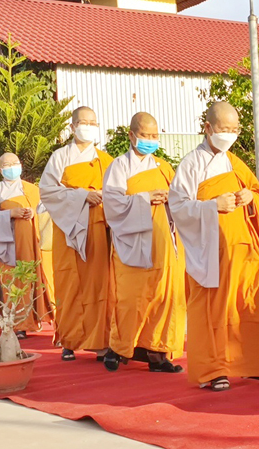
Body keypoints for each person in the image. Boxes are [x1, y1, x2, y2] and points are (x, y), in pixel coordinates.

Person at [168, 101, 259, 392]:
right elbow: (177, 206)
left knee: (252, 305)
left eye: (234, 129)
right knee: (213, 311)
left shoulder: (235, 162)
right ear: (208, 128)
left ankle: (258, 364)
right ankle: (214, 370)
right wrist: (211, 205)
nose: (230, 134)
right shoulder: (191, 164)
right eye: (224, 128)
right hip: (212, 254)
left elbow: (258, 193)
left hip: (245, 252)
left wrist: (250, 198)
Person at [102, 112, 186, 373]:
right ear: (132, 135)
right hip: (132, 242)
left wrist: (170, 198)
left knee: (164, 296)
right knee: (131, 298)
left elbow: (181, 199)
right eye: (145, 135)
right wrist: (145, 198)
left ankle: (158, 353)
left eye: (154, 135)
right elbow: (112, 205)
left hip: (163, 242)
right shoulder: (119, 166)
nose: (150, 140)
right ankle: (118, 348)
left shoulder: (163, 167)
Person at [40, 106, 114, 361]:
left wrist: (102, 198)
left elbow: (119, 192)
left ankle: (101, 340)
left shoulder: (106, 160)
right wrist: (83, 195)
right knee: (69, 282)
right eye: (83, 122)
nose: (88, 127)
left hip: (99, 228)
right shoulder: (60, 157)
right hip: (69, 228)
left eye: (93, 123)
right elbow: (47, 191)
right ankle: (69, 339)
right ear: (72, 127)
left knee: (99, 284)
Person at [0, 153, 53, 339]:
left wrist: (33, 214)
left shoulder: (32, 189)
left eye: (15, 163)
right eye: (7, 165)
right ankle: (18, 324)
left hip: (33, 243)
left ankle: (36, 318)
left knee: (35, 278)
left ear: (20, 165)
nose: (12, 167)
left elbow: (46, 211)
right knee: (13, 281)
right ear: (0, 170)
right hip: (9, 242)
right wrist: (10, 214)